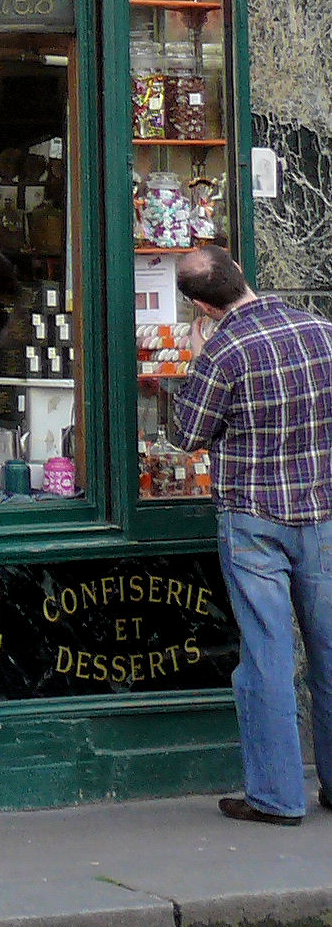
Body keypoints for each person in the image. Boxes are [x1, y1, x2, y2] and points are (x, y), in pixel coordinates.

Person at [165, 246, 332, 825]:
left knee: (266, 656)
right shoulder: (321, 330)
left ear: (199, 304)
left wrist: (190, 362)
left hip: (255, 519)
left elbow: (186, 434)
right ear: (240, 270)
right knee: (330, 651)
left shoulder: (223, 349)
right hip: (323, 512)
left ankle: (277, 797)